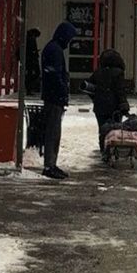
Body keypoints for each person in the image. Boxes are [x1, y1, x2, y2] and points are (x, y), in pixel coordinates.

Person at [41, 21, 77, 179]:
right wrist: (63, 89)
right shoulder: (55, 50)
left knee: (53, 131)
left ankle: (51, 164)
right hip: (54, 97)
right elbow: (55, 75)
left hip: (52, 96)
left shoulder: (52, 48)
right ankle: (50, 165)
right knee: (53, 132)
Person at [87, 49, 130, 153]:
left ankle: (103, 149)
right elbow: (120, 91)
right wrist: (123, 104)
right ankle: (113, 150)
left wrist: (96, 98)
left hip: (100, 107)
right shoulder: (118, 73)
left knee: (102, 129)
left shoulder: (98, 72)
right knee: (115, 129)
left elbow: (88, 87)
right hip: (114, 107)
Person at [25, 28, 42, 95]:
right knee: (35, 73)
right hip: (32, 60)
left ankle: (29, 88)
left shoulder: (28, 38)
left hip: (29, 59)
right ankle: (29, 88)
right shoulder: (32, 39)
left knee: (30, 74)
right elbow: (32, 50)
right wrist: (35, 53)